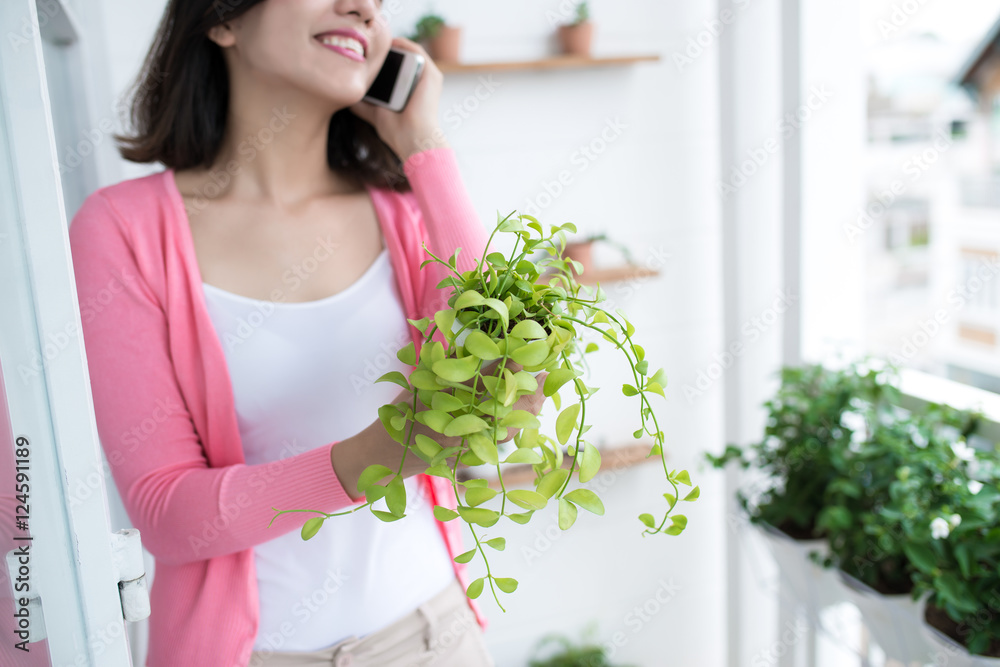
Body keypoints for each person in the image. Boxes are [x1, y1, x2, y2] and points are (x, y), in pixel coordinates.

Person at [67, 1, 545, 665]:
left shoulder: (402, 214)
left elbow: (500, 358)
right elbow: (166, 510)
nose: (363, 9)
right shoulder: (122, 231)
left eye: (378, 4)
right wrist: (375, 454)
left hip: (437, 634)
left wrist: (424, 148)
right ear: (222, 19)